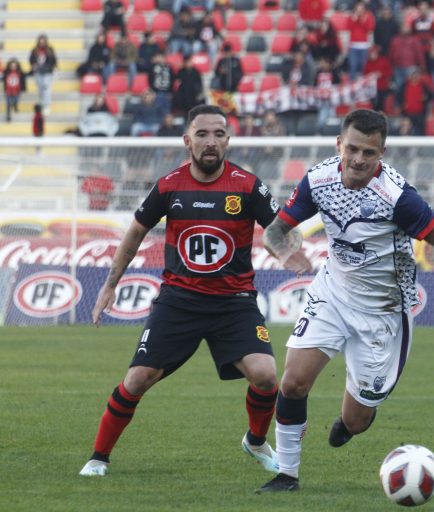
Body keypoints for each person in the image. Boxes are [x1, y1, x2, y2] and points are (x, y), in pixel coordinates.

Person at [257, 109, 434, 493]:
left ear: (381, 153)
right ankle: (287, 475)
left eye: (368, 153)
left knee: (356, 419)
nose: (358, 159)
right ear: (339, 144)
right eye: (352, 149)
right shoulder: (318, 180)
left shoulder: (398, 197)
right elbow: (275, 231)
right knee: (293, 382)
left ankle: (349, 422)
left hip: (383, 313)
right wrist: (286, 252)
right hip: (333, 292)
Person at [79, 104, 289, 478]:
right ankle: (98, 458)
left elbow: (279, 231)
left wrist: (293, 251)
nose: (211, 142)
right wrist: (109, 286)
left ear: (228, 140)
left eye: (219, 134)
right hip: (179, 302)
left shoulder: (248, 186)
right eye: (202, 134)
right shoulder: (169, 185)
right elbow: (136, 232)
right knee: (137, 379)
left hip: (234, 303)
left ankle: (256, 441)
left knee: (266, 376)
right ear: (187, 140)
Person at [28, 34, 57, 116]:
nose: (42, 43)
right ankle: (42, 103)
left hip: (48, 72)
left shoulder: (50, 50)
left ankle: (47, 106)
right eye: (40, 41)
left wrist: (51, 68)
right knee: (40, 89)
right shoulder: (34, 50)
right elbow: (31, 60)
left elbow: (53, 60)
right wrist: (33, 66)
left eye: (43, 42)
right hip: (38, 72)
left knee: (46, 88)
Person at [3, 58, 26, 122]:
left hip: (17, 90)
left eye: (14, 66)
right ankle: (8, 116)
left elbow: (23, 80)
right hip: (8, 90)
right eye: (12, 66)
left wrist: (23, 89)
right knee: (8, 103)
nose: (13, 67)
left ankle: (15, 106)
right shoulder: (6, 72)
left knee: (16, 100)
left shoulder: (20, 72)